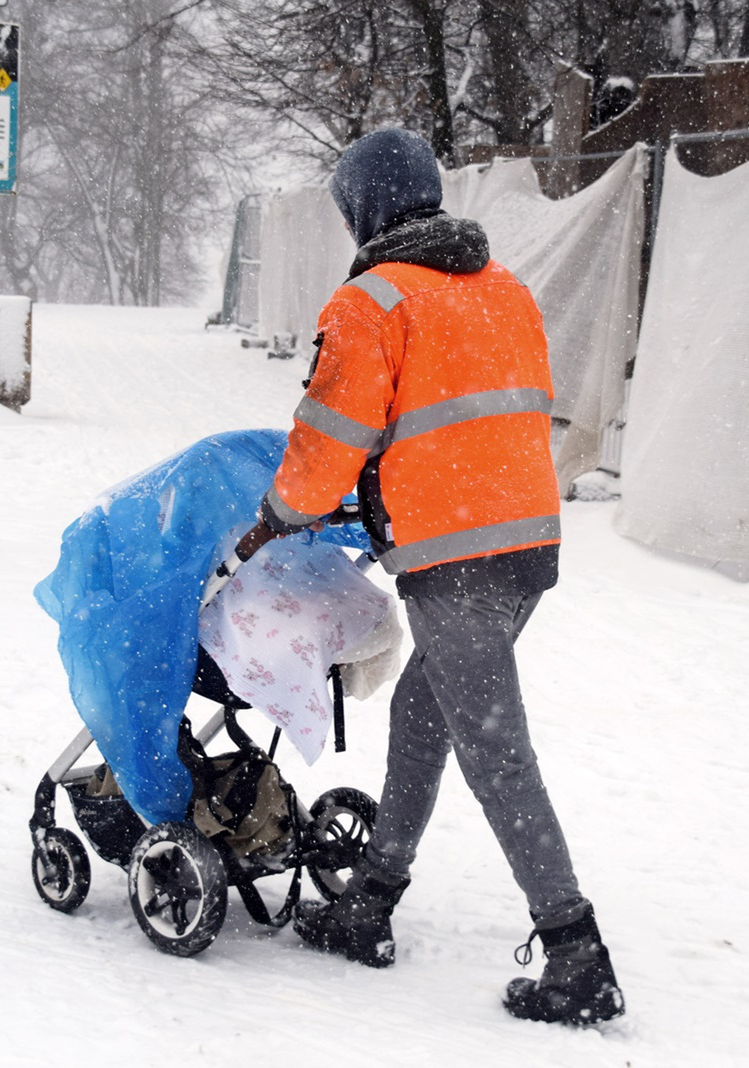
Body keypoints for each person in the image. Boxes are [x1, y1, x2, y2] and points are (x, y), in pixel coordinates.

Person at [236, 128, 624, 1026]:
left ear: (363, 210)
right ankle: (371, 902)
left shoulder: (372, 302)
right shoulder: (503, 289)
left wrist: (280, 517)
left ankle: (577, 953)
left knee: (494, 748)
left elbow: (329, 440)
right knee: (425, 708)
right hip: (527, 546)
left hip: (456, 559)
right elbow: (485, 417)